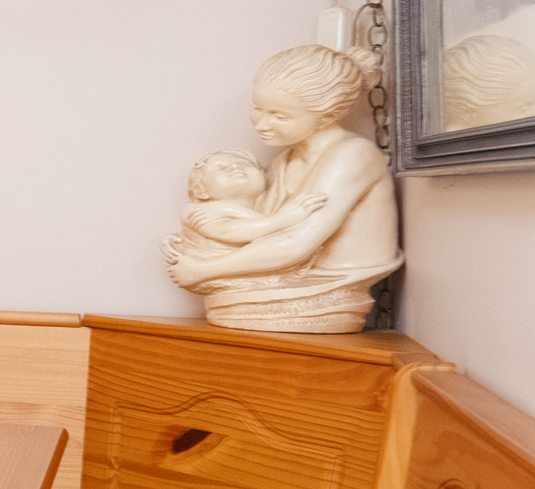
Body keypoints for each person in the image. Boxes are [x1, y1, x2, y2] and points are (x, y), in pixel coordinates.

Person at [163, 44, 400, 333]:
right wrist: (194, 243)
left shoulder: (351, 156)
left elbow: (297, 244)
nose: (261, 124)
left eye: (279, 115)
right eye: (258, 109)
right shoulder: (283, 162)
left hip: (329, 286)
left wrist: (202, 270)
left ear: (325, 116)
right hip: (290, 276)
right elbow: (255, 230)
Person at [176, 149, 328, 252]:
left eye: (245, 164)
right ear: (200, 190)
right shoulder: (196, 212)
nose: (235, 166)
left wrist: (228, 209)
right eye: (220, 168)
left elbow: (273, 236)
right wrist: (283, 220)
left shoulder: (268, 207)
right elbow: (228, 231)